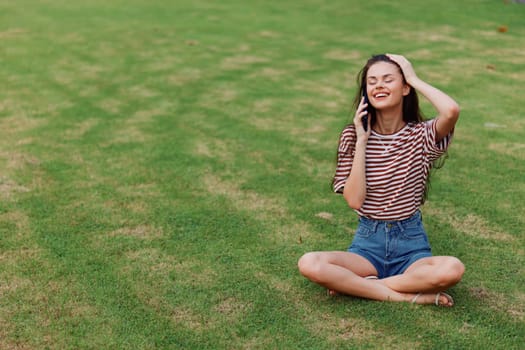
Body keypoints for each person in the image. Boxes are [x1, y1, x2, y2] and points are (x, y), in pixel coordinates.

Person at [298, 54, 465, 306]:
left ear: (405, 88)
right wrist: (362, 140)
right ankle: (407, 296)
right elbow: (354, 200)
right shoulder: (352, 135)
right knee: (310, 263)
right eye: (372, 81)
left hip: (411, 245)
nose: (379, 86)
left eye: (388, 80)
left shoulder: (421, 135)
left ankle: (359, 286)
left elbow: (451, 110)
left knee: (452, 269)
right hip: (367, 245)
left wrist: (413, 77)